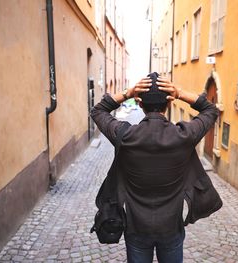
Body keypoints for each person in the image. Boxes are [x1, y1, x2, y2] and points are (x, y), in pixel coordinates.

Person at [91, 72, 219, 263]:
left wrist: (128, 92)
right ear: (169, 103)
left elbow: (98, 111)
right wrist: (180, 93)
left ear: (139, 104)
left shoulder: (125, 136)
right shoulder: (183, 136)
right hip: (171, 229)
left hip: (137, 229)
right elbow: (211, 110)